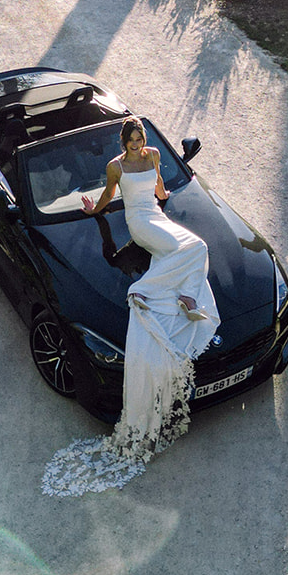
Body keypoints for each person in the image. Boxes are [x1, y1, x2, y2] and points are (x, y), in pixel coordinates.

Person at [42, 116, 219, 497]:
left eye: (142, 139)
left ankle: (180, 294)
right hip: (138, 222)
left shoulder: (154, 155)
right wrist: (94, 211)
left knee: (197, 246)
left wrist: (164, 192)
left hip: (156, 215)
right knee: (186, 250)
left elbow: (159, 193)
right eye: (133, 140)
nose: (139, 145)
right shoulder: (116, 166)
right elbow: (109, 197)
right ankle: (146, 289)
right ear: (124, 142)